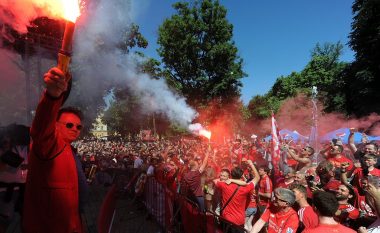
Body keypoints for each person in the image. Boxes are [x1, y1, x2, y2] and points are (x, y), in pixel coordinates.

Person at [23, 67, 88, 233]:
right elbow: (42, 126)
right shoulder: (48, 145)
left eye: (79, 126)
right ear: (55, 125)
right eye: (69, 125)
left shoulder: (70, 150)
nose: (75, 129)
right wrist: (52, 97)